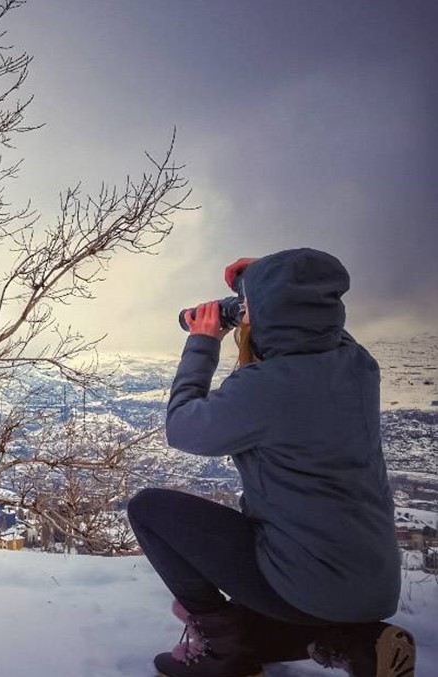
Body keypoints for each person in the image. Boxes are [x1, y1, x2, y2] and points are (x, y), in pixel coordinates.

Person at [127, 248, 416, 677]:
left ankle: (223, 653)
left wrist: (203, 341)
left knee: (149, 509)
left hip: (306, 584)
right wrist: (256, 283)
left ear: (264, 315)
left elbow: (182, 428)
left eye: (245, 311)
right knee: (257, 621)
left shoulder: (267, 388)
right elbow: (310, 321)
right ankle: (358, 642)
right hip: (371, 585)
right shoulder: (356, 364)